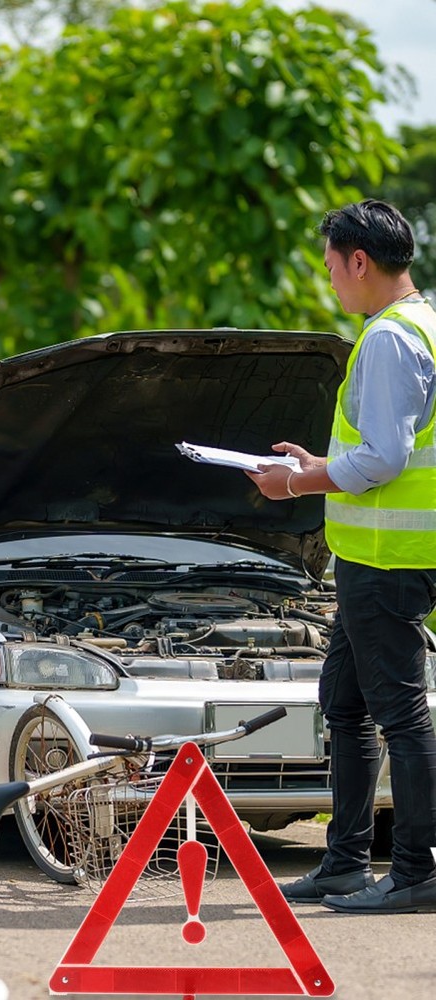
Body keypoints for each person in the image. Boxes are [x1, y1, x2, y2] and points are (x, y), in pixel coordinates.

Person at [246, 199, 436, 914]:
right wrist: (325, 461)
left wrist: (296, 480)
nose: (330, 282)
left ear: (361, 261)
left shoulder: (389, 338)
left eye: (331, 268)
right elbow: (395, 447)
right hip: (384, 551)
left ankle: (416, 871)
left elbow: (385, 458)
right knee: (347, 703)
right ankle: (346, 862)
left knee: (398, 714)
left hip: (388, 556)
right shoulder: (426, 324)